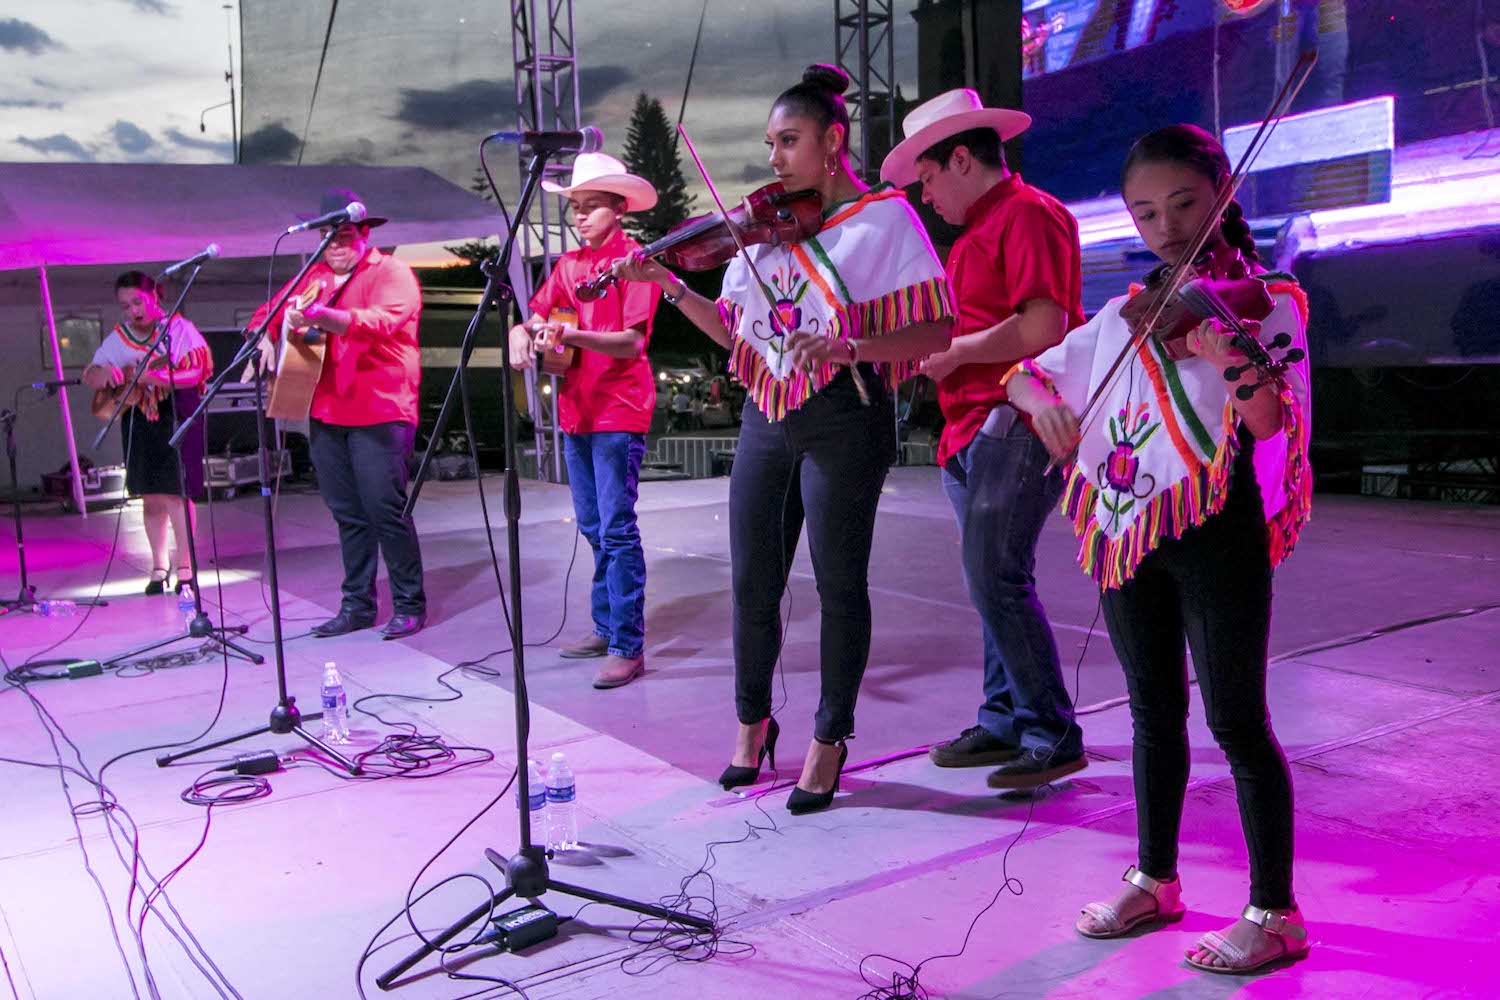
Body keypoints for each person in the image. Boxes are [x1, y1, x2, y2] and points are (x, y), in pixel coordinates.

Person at [1004, 124, 1313, 974]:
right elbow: (1027, 374)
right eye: (1145, 213)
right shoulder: (1124, 314)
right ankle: (1155, 879)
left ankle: (1276, 912)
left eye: (1183, 204)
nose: (1165, 228)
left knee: (1237, 720)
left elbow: (1268, 420)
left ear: (1222, 195)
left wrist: (1230, 355)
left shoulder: (1266, 301)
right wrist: (1043, 404)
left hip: (1216, 531)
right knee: (1152, 712)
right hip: (1129, 527)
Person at [613, 64, 953, 814]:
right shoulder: (765, 233)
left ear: (833, 142)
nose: (774, 159)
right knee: (752, 583)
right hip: (767, 416)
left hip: (845, 417)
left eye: (789, 141)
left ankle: (830, 738)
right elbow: (734, 332)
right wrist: (669, 285)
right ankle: (753, 723)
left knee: (838, 585)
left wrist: (851, 346)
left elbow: (938, 328)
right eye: (770, 143)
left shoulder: (884, 221)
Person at [880, 89, 1087, 789]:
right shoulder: (978, 231)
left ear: (962, 160)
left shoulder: (1027, 213)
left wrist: (956, 352)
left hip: (1014, 421)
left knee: (996, 578)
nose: (926, 195)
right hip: (972, 427)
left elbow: (1044, 328)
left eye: (928, 178)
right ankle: (1005, 719)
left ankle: (1050, 730)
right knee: (991, 581)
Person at [508, 152, 660, 689]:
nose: (580, 215)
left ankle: (627, 644)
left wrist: (571, 335)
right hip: (578, 410)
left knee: (616, 528)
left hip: (618, 409)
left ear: (619, 208)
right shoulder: (570, 265)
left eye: (591, 205)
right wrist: (521, 331)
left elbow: (632, 342)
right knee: (594, 527)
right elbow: (537, 315)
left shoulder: (635, 262)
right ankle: (606, 625)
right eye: (576, 206)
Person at [247, 188, 427, 640]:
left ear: (365, 233)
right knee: (347, 513)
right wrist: (261, 334)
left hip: (380, 408)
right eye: (327, 236)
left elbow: (379, 322)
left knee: (385, 509)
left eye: (345, 235)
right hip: (327, 410)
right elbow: (270, 311)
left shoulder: (391, 272)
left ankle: (409, 604)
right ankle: (357, 605)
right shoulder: (315, 275)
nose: (336, 244)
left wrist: (321, 316)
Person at [83, 271, 212, 595]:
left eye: (138, 302)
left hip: (176, 413)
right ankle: (158, 566)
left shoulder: (179, 329)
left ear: (154, 296)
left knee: (176, 493)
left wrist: (154, 378)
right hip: (140, 417)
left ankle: (185, 566)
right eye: (125, 306)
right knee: (151, 494)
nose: (133, 311)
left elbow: (197, 371)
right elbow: (92, 374)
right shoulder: (119, 337)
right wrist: (106, 373)